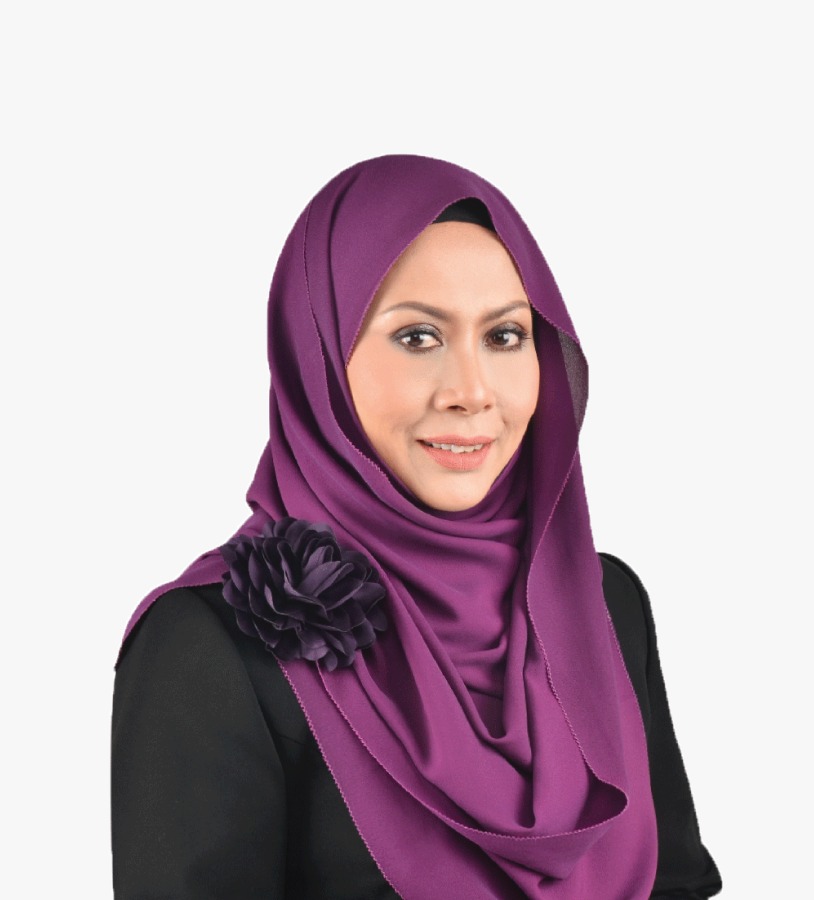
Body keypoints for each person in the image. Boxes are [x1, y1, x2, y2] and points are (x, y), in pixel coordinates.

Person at [111, 154, 722, 899]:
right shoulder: (209, 644)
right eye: (418, 337)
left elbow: (675, 885)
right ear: (319, 358)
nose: (471, 391)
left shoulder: (605, 600)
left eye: (504, 336)